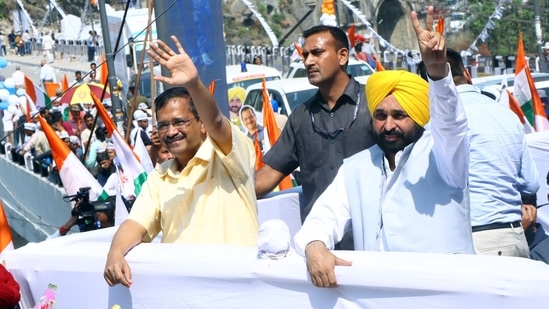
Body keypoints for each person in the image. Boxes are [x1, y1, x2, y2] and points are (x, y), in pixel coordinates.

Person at [294, 6, 475, 288]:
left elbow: (450, 122)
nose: (388, 125)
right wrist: (314, 246)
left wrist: (437, 72)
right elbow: (323, 216)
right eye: (380, 116)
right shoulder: (356, 167)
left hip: (445, 293)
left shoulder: (442, 155)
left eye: (399, 116)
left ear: (417, 116)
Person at [103, 35, 258, 287]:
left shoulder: (228, 157)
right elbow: (135, 223)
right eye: (163, 125)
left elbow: (218, 122)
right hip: (181, 291)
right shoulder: (160, 177)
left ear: (201, 125)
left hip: (235, 289)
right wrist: (115, 253)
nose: (171, 131)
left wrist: (194, 83)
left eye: (180, 122)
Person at [418, 49, 539, 258]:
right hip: (514, 235)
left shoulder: (436, 124)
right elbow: (531, 183)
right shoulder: (506, 115)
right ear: (466, 73)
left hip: (473, 239)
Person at [254, 25, 375, 234]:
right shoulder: (301, 116)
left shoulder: (375, 105)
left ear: (342, 56)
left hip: (372, 239)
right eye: (305, 55)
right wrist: (225, 195)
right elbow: (270, 174)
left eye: (317, 53)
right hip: (318, 242)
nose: (308, 61)